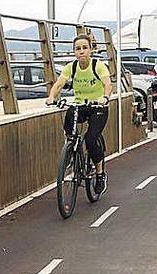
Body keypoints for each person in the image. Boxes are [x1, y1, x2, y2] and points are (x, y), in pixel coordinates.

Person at [46, 34, 115, 195]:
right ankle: (72, 149)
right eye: (78, 49)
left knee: (91, 139)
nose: (81, 51)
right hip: (80, 105)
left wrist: (104, 97)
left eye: (85, 48)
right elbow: (59, 84)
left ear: (91, 50)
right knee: (69, 119)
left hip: (98, 106)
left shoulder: (98, 66)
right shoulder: (72, 67)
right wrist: (51, 97)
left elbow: (108, 85)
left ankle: (100, 174)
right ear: (74, 52)